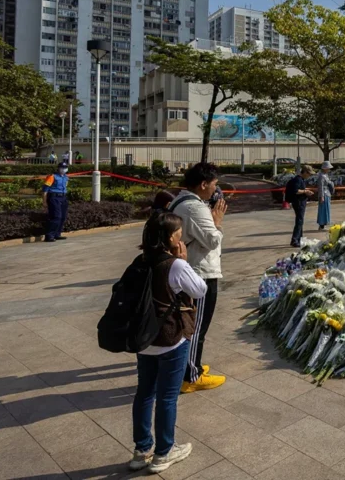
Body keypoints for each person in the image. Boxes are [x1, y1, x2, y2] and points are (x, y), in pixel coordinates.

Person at [129, 212, 205, 473]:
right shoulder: (175, 265)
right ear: (172, 237)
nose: (181, 235)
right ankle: (163, 452)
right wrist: (184, 261)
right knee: (167, 397)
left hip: (144, 338)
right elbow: (199, 290)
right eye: (179, 232)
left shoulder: (141, 260)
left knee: (144, 392)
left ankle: (141, 450)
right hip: (170, 337)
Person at [170, 162, 226, 393]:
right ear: (203, 184)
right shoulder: (196, 208)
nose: (215, 189)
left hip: (187, 270)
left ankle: (187, 366)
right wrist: (217, 221)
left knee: (188, 324)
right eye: (214, 184)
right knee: (196, 327)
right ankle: (191, 376)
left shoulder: (180, 201)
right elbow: (212, 239)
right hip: (200, 274)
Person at [285, 165, 314, 246]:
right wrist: (305, 191)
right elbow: (296, 191)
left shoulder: (301, 179)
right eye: (309, 174)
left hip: (300, 202)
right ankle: (294, 240)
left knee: (300, 221)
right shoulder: (298, 180)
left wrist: (306, 191)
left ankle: (299, 238)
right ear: (304, 172)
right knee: (299, 221)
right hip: (298, 202)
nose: (309, 176)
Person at [42, 161, 70, 243]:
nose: (64, 169)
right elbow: (45, 190)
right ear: (58, 168)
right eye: (62, 168)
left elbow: (65, 186)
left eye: (65, 168)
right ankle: (49, 235)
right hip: (54, 197)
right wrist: (44, 201)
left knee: (62, 217)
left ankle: (57, 234)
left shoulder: (66, 177)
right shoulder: (52, 176)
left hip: (63, 197)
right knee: (56, 216)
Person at [316, 161, 335, 230]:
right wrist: (321, 196)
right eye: (328, 168)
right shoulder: (321, 176)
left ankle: (324, 224)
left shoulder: (325, 175)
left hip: (327, 193)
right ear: (324, 168)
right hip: (324, 194)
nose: (329, 169)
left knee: (326, 209)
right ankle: (321, 225)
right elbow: (320, 187)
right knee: (322, 210)